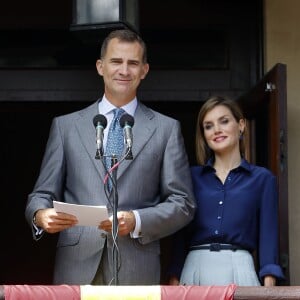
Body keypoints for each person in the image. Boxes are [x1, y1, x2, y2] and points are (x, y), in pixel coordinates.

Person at [25, 29, 196, 285]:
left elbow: (182, 203)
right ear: (100, 66)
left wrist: (137, 220)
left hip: (137, 265)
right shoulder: (66, 127)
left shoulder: (166, 129)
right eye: (116, 61)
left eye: (133, 63)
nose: (124, 70)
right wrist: (40, 215)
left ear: (144, 70)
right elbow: (40, 195)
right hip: (77, 265)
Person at [168, 95, 285, 286]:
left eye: (224, 121)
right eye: (208, 126)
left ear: (241, 125)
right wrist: (174, 280)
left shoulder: (262, 179)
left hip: (241, 268)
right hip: (194, 269)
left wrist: (268, 289)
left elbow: (268, 238)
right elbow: (179, 236)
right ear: (204, 135)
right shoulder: (189, 177)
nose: (217, 130)